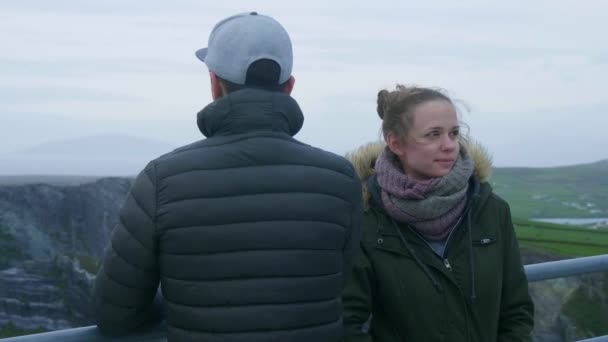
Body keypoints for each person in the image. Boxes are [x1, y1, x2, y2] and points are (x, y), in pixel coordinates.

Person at [93, 12, 363, 342]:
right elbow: (340, 283)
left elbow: (114, 314)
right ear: (289, 86)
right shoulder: (340, 179)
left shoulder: (161, 180)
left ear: (214, 82)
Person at [343, 85, 534, 342]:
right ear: (396, 143)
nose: (449, 146)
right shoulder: (366, 218)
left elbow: (516, 310)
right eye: (433, 135)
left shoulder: (491, 210)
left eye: (454, 133)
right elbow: (348, 322)